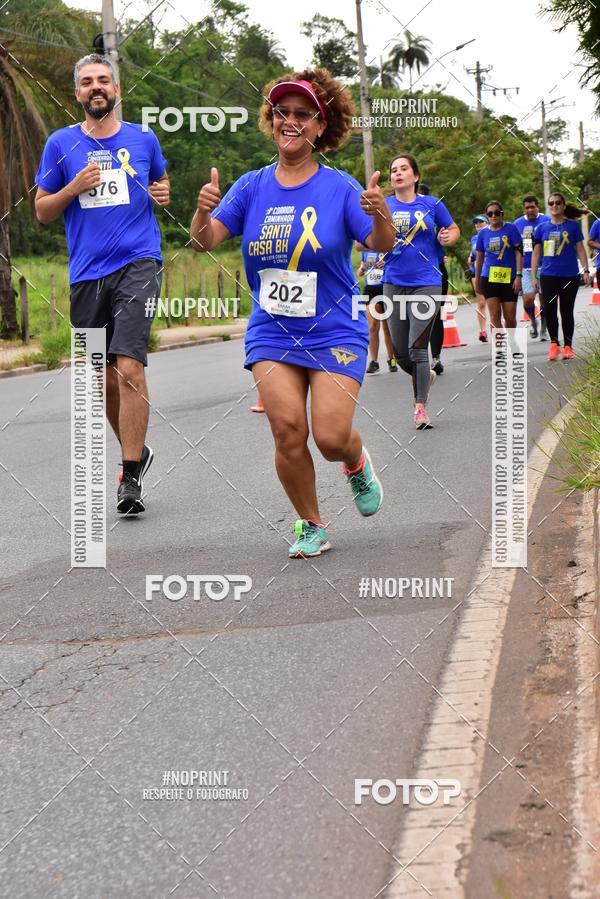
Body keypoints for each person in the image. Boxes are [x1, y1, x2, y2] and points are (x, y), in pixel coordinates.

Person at [190, 68, 394, 558]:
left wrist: (380, 211)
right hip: (272, 331)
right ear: (272, 120)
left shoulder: (341, 187)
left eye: (304, 114)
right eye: (283, 111)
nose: (292, 121)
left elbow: (379, 244)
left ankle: (354, 458)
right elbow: (203, 242)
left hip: (335, 328)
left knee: (327, 436)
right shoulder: (251, 186)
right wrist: (202, 210)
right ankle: (310, 523)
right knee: (287, 430)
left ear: (321, 126)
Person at [34, 53, 170, 515]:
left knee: (129, 367)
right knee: (100, 379)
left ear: (116, 89)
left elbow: (160, 182)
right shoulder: (60, 144)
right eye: (88, 81)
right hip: (86, 274)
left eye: (104, 80)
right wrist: (72, 187)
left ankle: (129, 477)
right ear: (77, 93)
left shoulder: (143, 138)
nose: (97, 87)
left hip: (139, 262)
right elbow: (41, 210)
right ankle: (138, 451)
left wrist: (162, 192)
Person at [382, 154, 460, 429]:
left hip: (427, 281)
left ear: (415, 176)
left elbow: (452, 228)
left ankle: (420, 408)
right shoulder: (384, 207)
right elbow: (367, 238)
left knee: (417, 347)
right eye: (394, 170)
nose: (398, 173)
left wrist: (449, 236)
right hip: (392, 282)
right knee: (400, 353)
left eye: (404, 169)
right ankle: (425, 376)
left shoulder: (431, 204)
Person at [531, 192, 590, 361]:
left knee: (566, 310)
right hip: (548, 275)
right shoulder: (541, 228)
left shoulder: (572, 227)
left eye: (558, 203)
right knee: (549, 310)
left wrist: (586, 270)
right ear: (548, 207)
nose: (554, 205)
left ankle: (568, 346)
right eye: (551, 203)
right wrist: (534, 276)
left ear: (563, 206)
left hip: (569, 275)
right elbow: (536, 254)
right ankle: (554, 344)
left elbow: (580, 249)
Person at [475, 201, 523, 330]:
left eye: (497, 213)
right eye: (490, 214)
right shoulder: (483, 234)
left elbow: (519, 253)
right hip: (489, 279)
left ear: (502, 214)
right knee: (495, 316)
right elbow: (479, 259)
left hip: (510, 279)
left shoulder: (511, 228)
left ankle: (512, 343)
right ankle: (500, 349)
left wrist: (519, 276)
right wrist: (477, 280)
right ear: (487, 216)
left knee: (510, 318)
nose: (494, 216)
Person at [355, 245, 397, 373]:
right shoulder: (365, 250)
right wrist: (362, 269)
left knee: (387, 327)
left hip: (385, 287)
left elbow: (396, 265)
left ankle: (392, 359)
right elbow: (360, 271)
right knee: (372, 326)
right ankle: (374, 361)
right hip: (371, 289)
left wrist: (386, 264)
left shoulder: (387, 245)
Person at [419, 183, 446, 374]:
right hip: (408, 272)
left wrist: (446, 237)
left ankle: (435, 358)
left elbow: (450, 233)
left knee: (434, 315)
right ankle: (418, 360)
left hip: (435, 270)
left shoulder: (435, 214)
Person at [513, 195, 550, 339]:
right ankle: (533, 321)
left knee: (545, 299)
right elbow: (515, 247)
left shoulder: (546, 220)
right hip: (526, 267)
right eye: (527, 207)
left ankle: (544, 329)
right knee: (528, 298)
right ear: (524, 209)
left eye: (532, 207)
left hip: (545, 266)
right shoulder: (517, 224)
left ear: (537, 207)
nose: (530, 209)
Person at [468, 215, 489, 341]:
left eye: (481, 222)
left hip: (491, 272)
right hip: (477, 272)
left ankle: (500, 327)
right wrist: (470, 258)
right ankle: (483, 331)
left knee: (495, 302)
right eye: (476, 223)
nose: (478, 224)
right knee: (481, 303)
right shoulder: (474, 239)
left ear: (487, 222)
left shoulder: (492, 234)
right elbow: (473, 255)